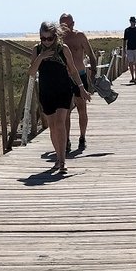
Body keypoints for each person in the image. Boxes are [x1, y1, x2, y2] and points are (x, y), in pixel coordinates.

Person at [28, 21, 90, 174]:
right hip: (46, 91)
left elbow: (74, 70)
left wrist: (81, 88)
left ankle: (62, 161)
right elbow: (31, 72)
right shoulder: (37, 50)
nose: (47, 42)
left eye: (50, 38)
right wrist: (41, 57)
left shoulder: (63, 49)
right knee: (53, 126)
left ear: (56, 37)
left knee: (61, 122)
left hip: (63, 89)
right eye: (44, 38)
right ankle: (58, 157)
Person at [59, 12, 97, 153]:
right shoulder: (57, 38)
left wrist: (93, 73)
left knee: (82, 108)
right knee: (65, 111)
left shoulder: (79, 36)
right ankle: (66, 139)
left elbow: (91, 55)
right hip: (64, 77)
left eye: (66, 24)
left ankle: (82, 137)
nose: (63, 27)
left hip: (79, 76)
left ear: (72, 24)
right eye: (61, 24)